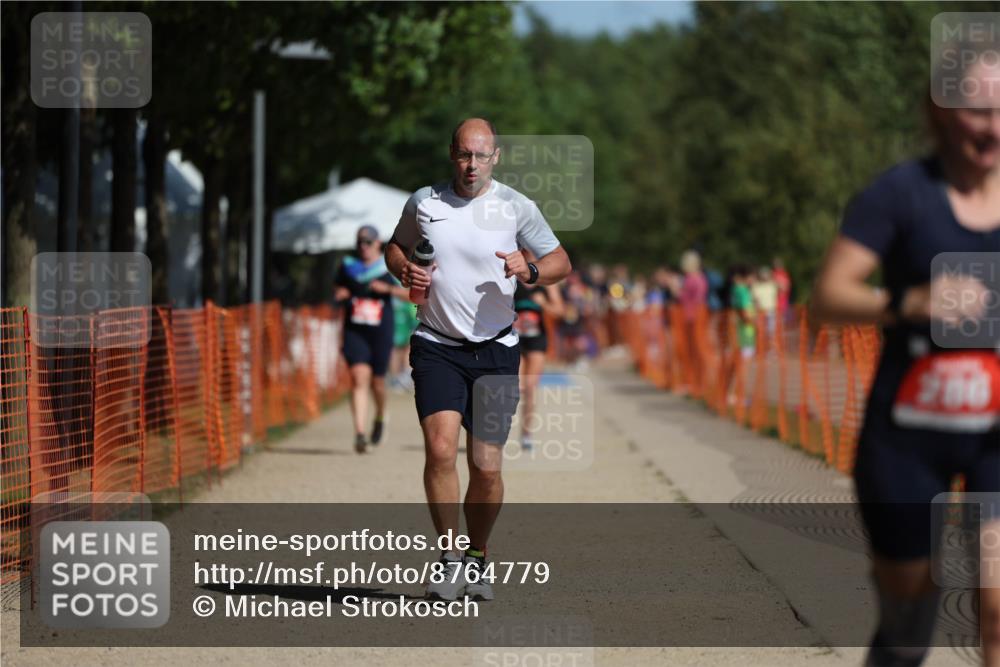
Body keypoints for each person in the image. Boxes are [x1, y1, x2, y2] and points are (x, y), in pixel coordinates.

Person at [811, 52, 999, 667]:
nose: (993, 127)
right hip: (907, 439)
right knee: (910, 621)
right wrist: (908, 300)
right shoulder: (900, 195)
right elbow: (828, 298)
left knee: (998, 605)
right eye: (977, 111)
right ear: (940, 112)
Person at [385, 118, 571, 601]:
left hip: (496, 349)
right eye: (465, 155)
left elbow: (560, 261)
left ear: (496, 157)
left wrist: (528, 268)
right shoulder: (423, 202)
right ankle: (447, 559)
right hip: (437, 344)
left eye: (481, 155)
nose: (472, 165)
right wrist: (405, 267)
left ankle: (477, 556)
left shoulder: (515, 206)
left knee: (486, 465)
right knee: (441, 450)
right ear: (452, 154)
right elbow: (395, 247)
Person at [334, 225, 409, 454]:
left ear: (378, 243)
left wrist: (387, 289)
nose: (363, 246)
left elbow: (411, 294)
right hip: (354, 331)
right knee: (358, 378)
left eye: (367, 242)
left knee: (377, 382)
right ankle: (359, 434)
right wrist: (341, 295)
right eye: (359, 242)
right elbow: (336, 291)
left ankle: (380, 415)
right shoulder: (348, 268)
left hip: (380, 332)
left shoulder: (389, 267)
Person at [513, 252, 565, 451]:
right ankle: (499, 431)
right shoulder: (513, 281)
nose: (530, 259)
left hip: (537, 340)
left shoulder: (546, 283)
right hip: (515, 340)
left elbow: (561, 311)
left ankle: (526, 434)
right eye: (526, 255)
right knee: (516, 387)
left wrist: (544, 304)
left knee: (531, 387)